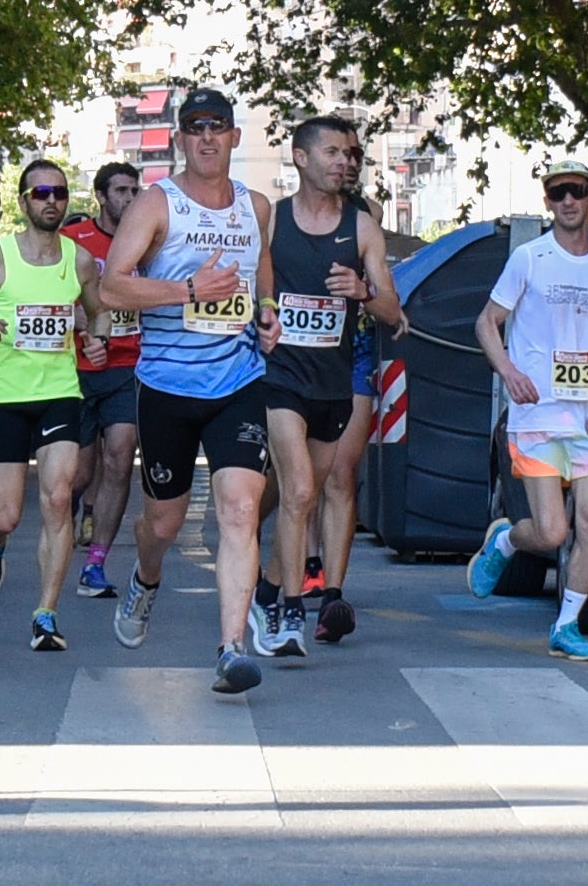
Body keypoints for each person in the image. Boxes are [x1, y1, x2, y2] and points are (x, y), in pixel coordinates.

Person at [98, 87, 279, 696]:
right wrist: (186, 293)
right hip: (168, 387)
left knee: (239, 508)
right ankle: (145, 579)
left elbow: (261, 273)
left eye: (218, 127)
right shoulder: (157, 204)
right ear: (180, 139)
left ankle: (231, 647)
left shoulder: (256, 206)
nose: (207, 137)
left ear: (233, 137)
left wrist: (269, 311)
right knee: (163, 523)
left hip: (239, 380)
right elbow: (111, 290)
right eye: (194, 128)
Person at [468, 160, 588, 661]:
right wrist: (510, 372)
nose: (568, 200)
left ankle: (566, 625)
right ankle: (504, 540)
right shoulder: (529, 258)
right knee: (551, 532)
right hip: (537, 417)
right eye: (558, 192)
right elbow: (486, 323)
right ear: (548, 201)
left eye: (577, 191)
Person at [0, 160, 109, 650]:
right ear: (24, 201)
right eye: (40, 193)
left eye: (58, 192)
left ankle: (46, 614)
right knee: (5, 514)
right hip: (8, 397)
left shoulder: (78, 260)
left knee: (58, 499)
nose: (50, 200)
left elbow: (98, 315)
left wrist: (96, 339)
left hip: (60, 394)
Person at [249, 116, 401, 658]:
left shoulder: (362, 227)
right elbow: (247, 282)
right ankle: (291, 611)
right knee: (301, 491)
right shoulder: (271, 219)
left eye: (351, 154)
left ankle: (265, 589)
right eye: (333, 152)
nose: (345, 162)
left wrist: (362, 290)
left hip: (334, 382)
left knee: (306, 494)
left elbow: (391, 310)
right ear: (300, 157)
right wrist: (262, 314)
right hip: (279, 377)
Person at [62, 161, 142, 599]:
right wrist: (89, 326)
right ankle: (66, 517)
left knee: (119, 457)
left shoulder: (148, 241)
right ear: (101, 196)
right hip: (75, 367)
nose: (130, 200)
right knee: (76, 475)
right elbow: (59, 295)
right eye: (121, 191)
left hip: (126, 366)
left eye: (135, 191)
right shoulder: (74, 240)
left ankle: (96, 563)